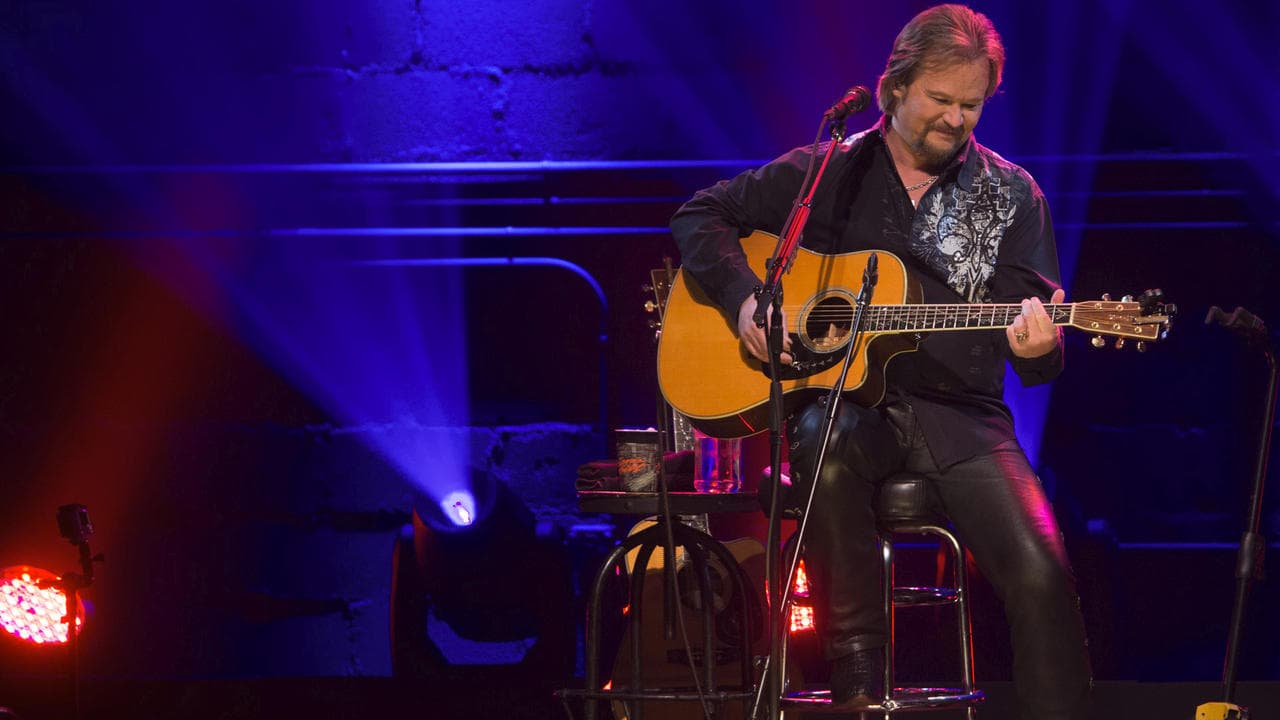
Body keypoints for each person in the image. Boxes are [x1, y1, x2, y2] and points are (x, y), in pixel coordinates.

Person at [668, 4, 1092, 719]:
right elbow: (698, 216)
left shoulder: (1013, 196)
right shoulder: (828, 172)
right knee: (823, 444)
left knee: (1043, 575)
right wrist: (745, 303)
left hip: (963, 417)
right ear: (894, 90)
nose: (957, 121)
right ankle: (857, 683)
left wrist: (1042, 349)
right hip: (846, 412)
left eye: (972, 105)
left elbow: (1033, 344)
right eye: (941, 100)